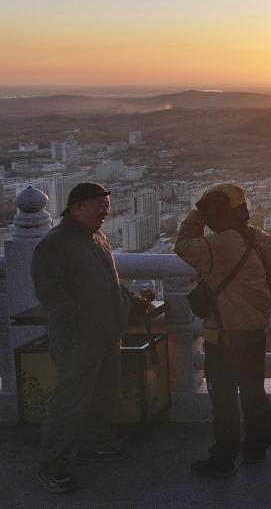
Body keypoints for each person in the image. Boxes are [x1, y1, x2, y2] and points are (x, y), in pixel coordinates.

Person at [31, 182, 142, 493]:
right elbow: (50, 292)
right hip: (78, 338)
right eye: (98, 205)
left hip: (107, 332)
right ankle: (51, 467)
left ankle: (92, 446)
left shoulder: (98, 237)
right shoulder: (54, 244)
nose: (105, 211)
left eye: (106, 205)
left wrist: (124, 303)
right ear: (77, 207)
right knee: (70, 403)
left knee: (104, 395)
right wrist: (80, 319)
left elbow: (109, 281)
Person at [175, 183, 271, 476]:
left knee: (223, 398)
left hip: (224, 334)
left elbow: (183, 245)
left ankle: (223, 457)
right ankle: (258, 443)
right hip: (255, 331)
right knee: (253, 391)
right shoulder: (262, 238)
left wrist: (196, 215)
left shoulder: (220, 245)